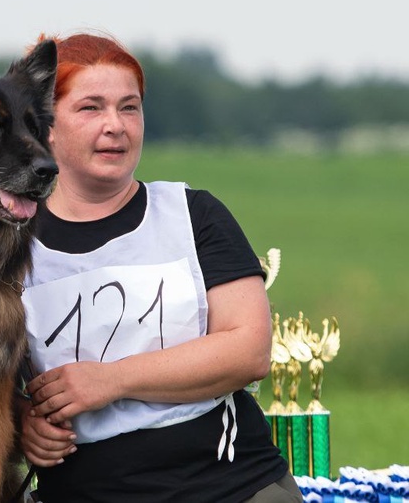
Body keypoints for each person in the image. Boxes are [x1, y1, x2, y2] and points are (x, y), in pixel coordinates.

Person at [18, 33, 300, 502]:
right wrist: (21, 420)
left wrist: (112, 379)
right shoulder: (7, 247)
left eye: (129, 107)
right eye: (91, 108)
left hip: (232, 488)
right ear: (43, 125)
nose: (116, 126)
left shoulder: (194, 214)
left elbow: (248, 350)